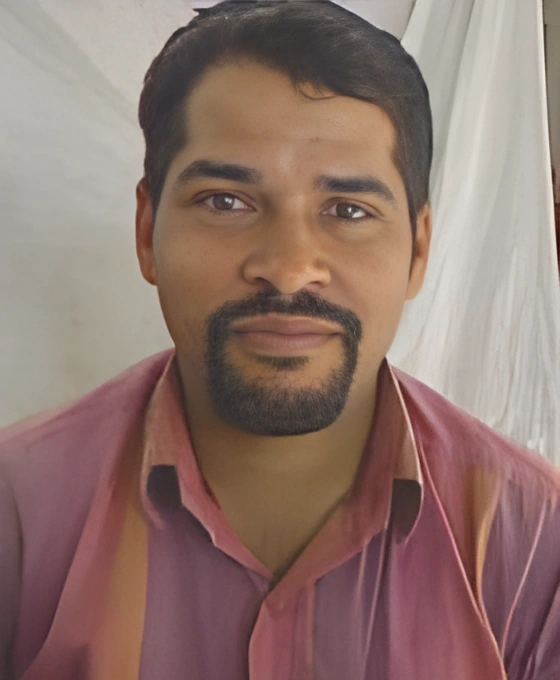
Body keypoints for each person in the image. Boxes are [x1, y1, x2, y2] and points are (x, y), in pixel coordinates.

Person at [1, 1, 559, 678]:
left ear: (418, 251)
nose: (290, 269)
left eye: (348, 210)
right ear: (147, 231)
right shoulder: (17, 511)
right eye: (225, 202)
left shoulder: (536, 541)